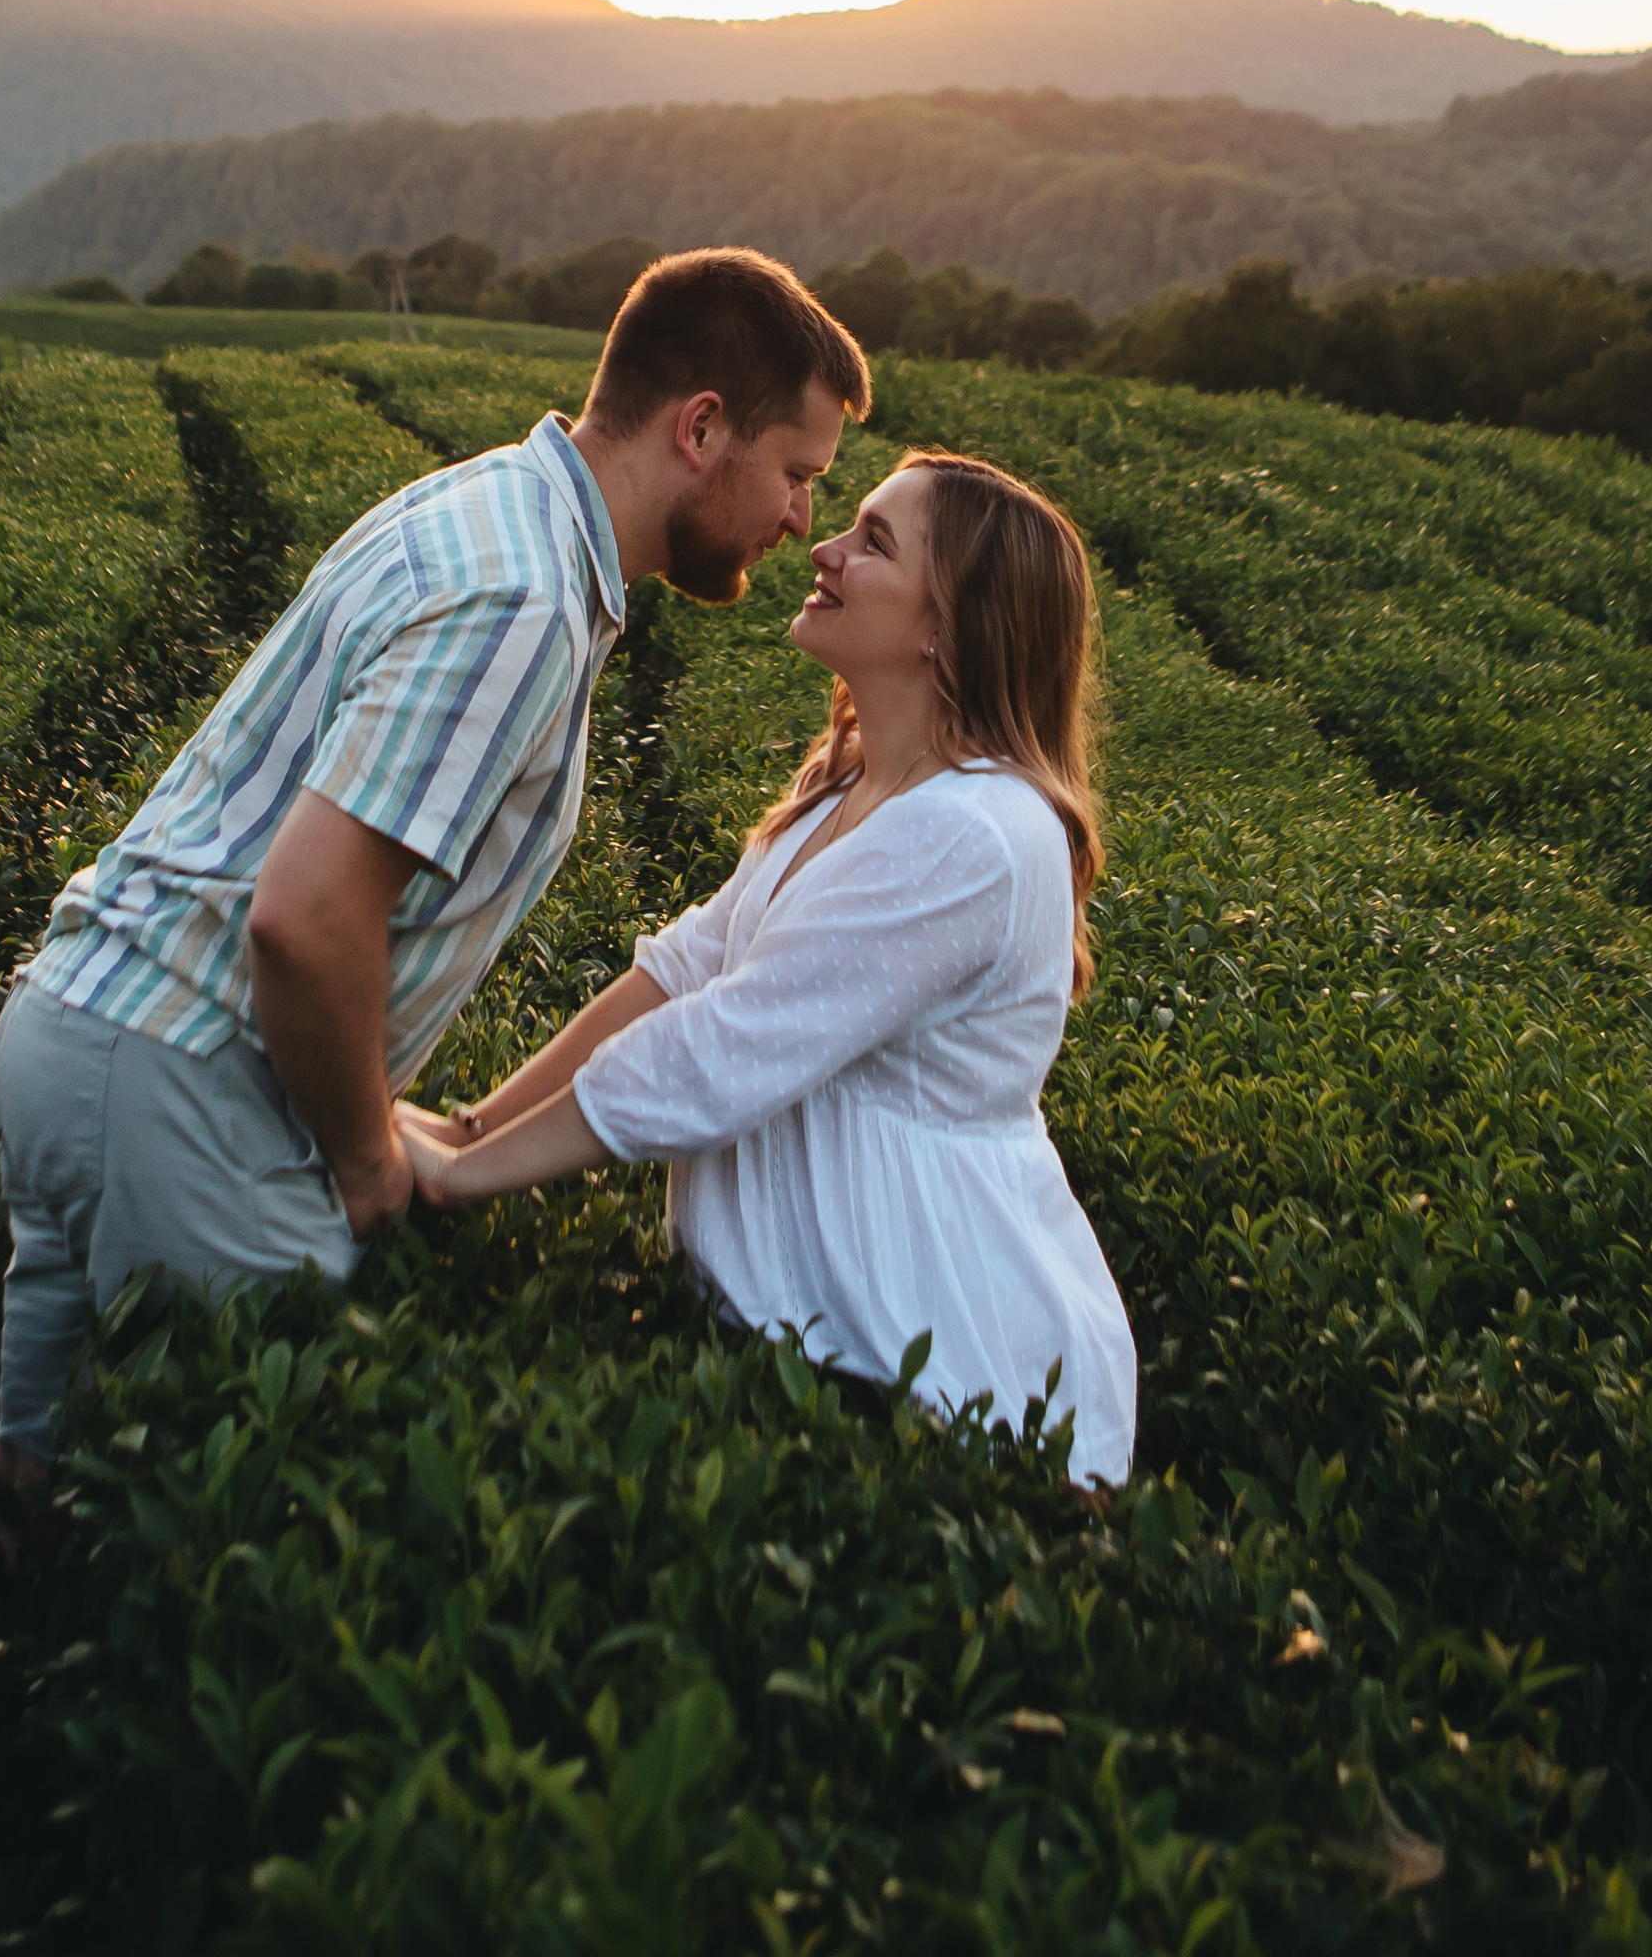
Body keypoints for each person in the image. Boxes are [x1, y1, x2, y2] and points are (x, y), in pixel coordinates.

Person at [0, 248, 871, 1636]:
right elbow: (305, 922)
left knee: (30, 1477)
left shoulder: (483, 512)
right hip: (185, 1085)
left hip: (79, 1030)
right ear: (702, 427)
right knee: (243, 1579)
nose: (804, 518)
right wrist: (368, 1151)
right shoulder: (522, 599)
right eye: (801, 471)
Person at [399, 449, 1138, 1486]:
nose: (824, 549)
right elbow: (681, 973)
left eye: (872, 542)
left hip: (930, 1367)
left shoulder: (976, 833)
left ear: (946, 627)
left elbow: (724, 1045)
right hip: (806, 1332)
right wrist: (473, 1125)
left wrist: (465, 1178)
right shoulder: (844, 795)